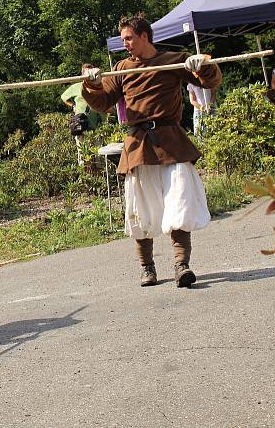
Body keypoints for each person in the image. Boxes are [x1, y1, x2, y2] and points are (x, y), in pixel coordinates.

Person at [81, 15, 221, 288]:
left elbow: (210, 81)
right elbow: (101, 102)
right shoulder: (121, 68)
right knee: (140, 209)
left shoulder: (173, 60)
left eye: (129, 38)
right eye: (123, 40)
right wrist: (93, 84)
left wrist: (202, 66)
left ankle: (182, 265)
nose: (126, 44)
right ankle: (147, 268)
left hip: (172, 141)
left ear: (145, 36)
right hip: (139, 145)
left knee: (179, 202)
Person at [61, 66, 106, 166]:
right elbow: (63, 97)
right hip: (81, 124)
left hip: (96, 126)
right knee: (83, 154)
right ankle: (85, 176)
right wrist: (72, 105)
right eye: (87, 73)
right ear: (83, 75)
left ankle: (99, 175)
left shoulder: (99, 86)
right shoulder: (77, 87)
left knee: (99, 155)